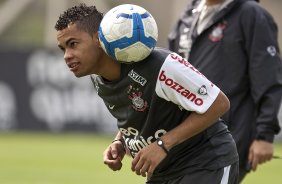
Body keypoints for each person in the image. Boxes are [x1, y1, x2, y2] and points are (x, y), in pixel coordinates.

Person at [55, 3, 239, 184]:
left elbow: (218, 103)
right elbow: (138, 112)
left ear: (98, 38)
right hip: (162, 172)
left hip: (206, 164)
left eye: (73, 44)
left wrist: (162, 144)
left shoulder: (160, 64)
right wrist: (119, 141)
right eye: (63, 48)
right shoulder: (97, 78)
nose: (67, 55)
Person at [168, 0, 282, 182]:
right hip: (188, 137)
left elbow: (267, 77)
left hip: (230, 136)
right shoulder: (188, 15)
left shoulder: (251, 13)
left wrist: (264, 135)